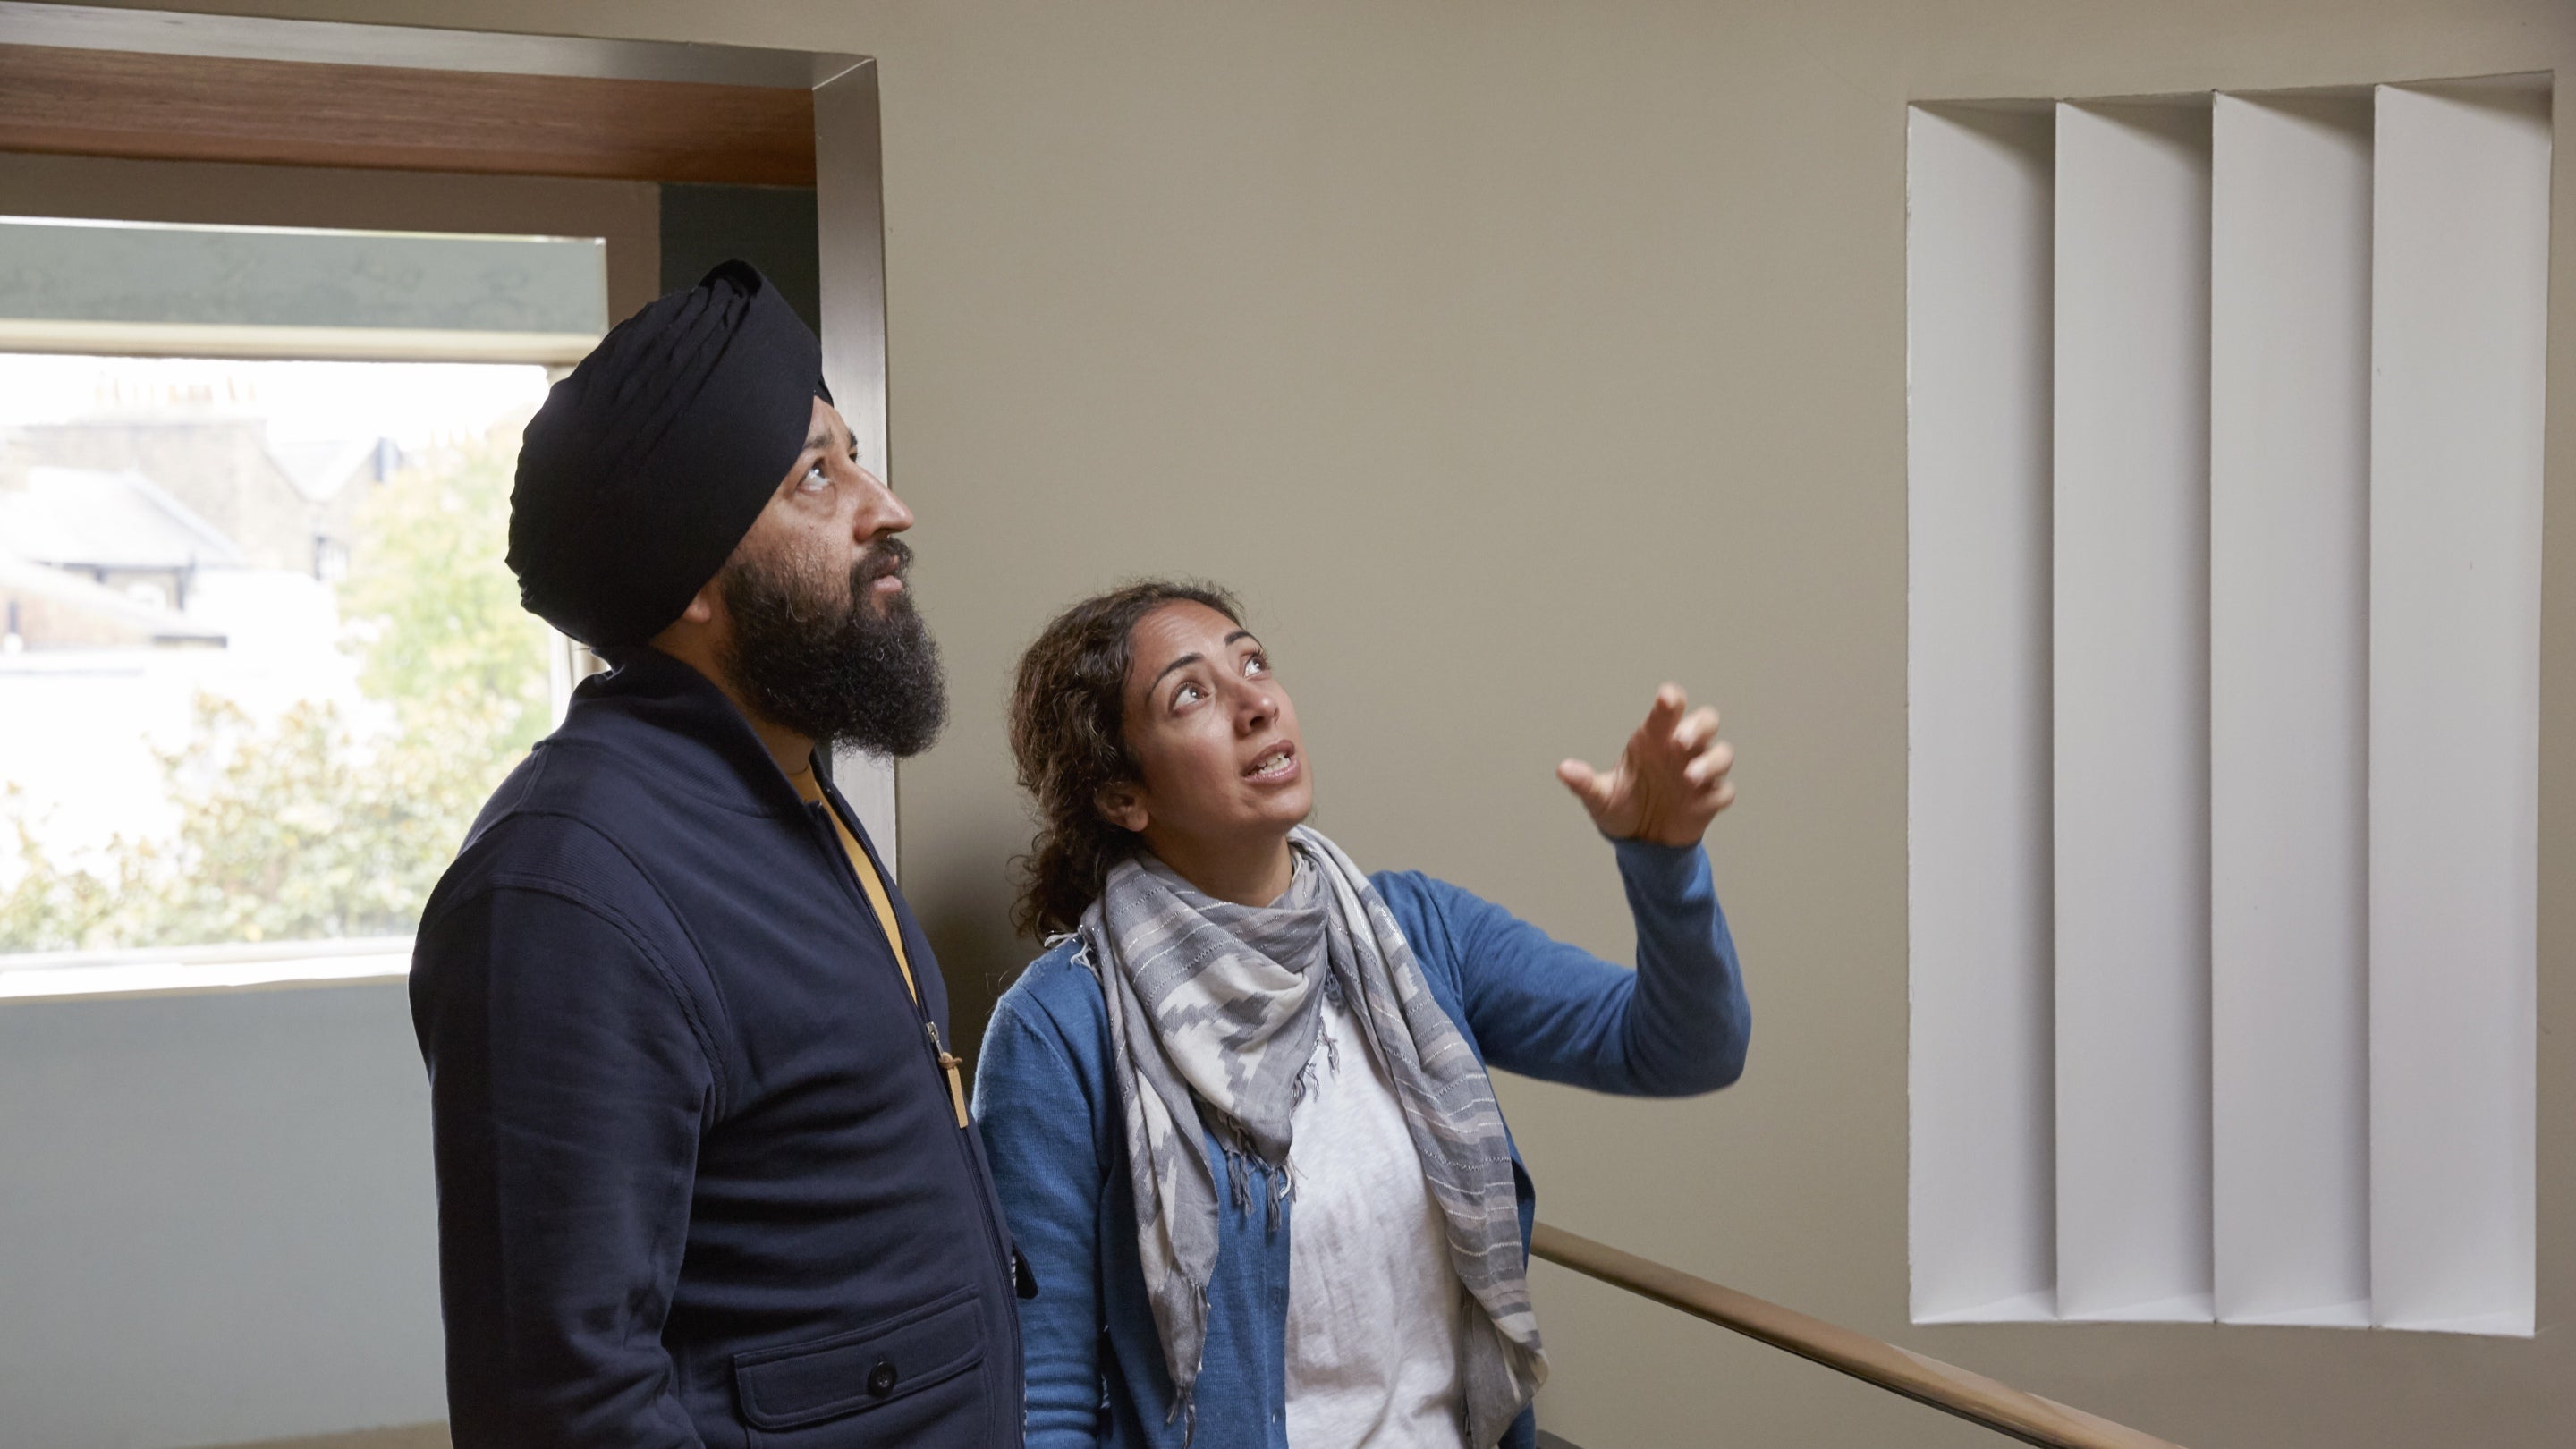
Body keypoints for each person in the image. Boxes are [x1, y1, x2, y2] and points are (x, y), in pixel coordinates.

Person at [410, 261, 1026, 1448]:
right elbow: (567, 1404)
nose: (887, 508)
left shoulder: (792, 793)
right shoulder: (565, 892)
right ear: (694, 572)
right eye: (818, 475)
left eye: (856, 457)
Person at [974, 580, 1752, 1449]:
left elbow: (1686, 1049)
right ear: (1123, 795)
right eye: (1191, 693)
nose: (1256, 704)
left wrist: (1665, 864)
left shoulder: (1415, 933)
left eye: (1253, 663)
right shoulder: (1059, 1030)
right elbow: (1042, 1400)